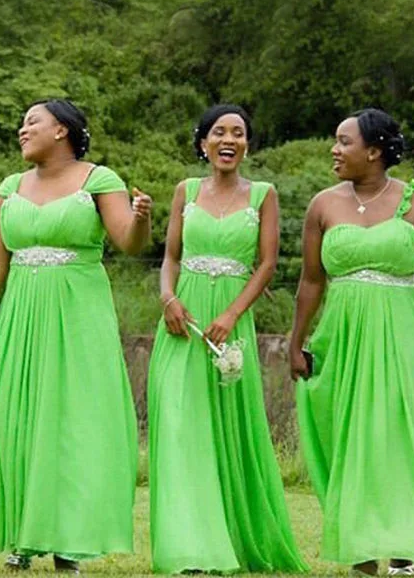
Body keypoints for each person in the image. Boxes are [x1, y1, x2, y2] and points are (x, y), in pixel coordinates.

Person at [0, 99, 151, 573]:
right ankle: (24, 533)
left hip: (80, 314)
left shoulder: (99, 179)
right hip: (23, 313)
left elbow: (128, 241)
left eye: (32, 123)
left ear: (62, 130)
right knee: (22, 417)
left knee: (74, 423)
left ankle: (71, 539)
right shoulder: (11, 186)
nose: (22, 131)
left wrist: (142, 217)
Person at [149, 104, 307, 574]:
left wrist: (232, 314)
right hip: (182, 319)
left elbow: (267, 263)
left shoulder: (263, 194)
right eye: (219, 132)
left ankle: (228, 538)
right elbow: (170, 256)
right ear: (203, 143)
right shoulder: (185, 191)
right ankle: (188, 547)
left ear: (247, 145)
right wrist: (167, 298)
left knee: (225, 430)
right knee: (178, 425)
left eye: (238, 133)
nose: (228, 140)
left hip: (230, 322)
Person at [291, 108, 414, 577]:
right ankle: (359, 545)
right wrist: (297, 341)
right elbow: (311, 281)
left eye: (343, 141)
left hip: (400, 329)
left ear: (373, 151)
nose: (334, 150)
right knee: (348, 432)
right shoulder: (322, 205)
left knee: (398, 432)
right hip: (343, 332)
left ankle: (402, 546)